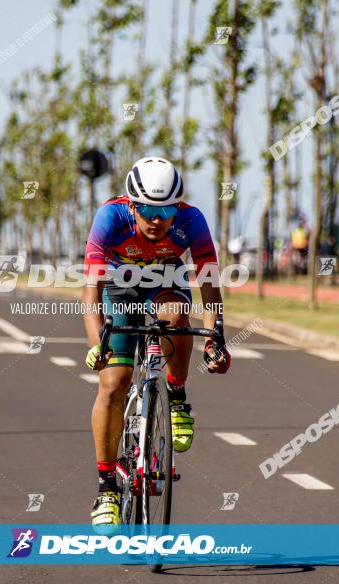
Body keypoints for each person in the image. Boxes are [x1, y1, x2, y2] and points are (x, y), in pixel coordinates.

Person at [81, 156, 231, 532]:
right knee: (113, 383)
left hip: (166, 284)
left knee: (178, 317)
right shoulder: (110, 218)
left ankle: (176, 397)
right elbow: (91, 292)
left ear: (177, 207)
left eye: (165, 210)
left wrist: (217, 337)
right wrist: (97, 343)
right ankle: (106, 488)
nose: (156, 219)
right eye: (147, 209)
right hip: (118, 288)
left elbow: (209, 284)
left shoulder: (192, 220)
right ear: (132, 204)